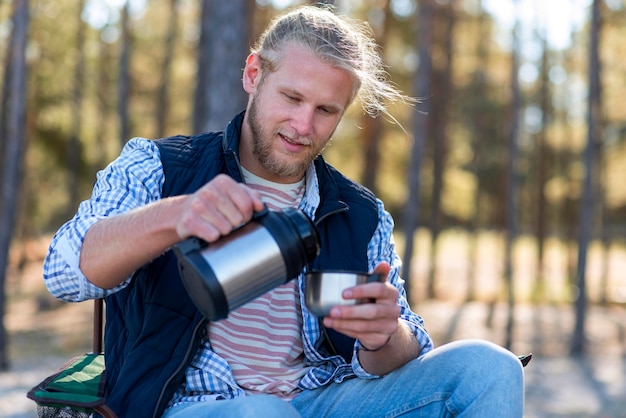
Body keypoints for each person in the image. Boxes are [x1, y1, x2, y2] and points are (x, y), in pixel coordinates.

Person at [43, 5, 524, 418]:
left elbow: (397, 349)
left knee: (489, 368)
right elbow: (65, 274)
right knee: (263, 411)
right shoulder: (161, 167)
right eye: (291, 98)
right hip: (188, 403)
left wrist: (384, 336)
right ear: (254, 75)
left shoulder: (358, 212)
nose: (302, 125)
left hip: (321, 399)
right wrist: (177, 215)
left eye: (325, 110)